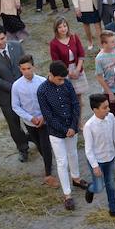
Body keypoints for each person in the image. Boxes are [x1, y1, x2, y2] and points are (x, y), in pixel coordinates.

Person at [38, 61, 87, 210]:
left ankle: (76, 178)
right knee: (62, 161)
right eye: (59, 79)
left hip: (71, 126)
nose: (61, 82)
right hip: (56, 132)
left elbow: (75, 104)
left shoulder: (66, 84)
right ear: (51, 75)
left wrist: (73, 126)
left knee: (73, 154)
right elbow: (48, 115)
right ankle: (67, 195)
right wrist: (65, 130)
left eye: (63, 79)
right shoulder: (42, 91)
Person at [0, 25, 29, 161]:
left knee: (30, 119)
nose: (0, 42)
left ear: (6, 36)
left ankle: (37, 140)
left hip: (25, 93)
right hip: (6, 97)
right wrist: (16, 88)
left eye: (2, 38)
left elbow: (26, 66)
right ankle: (23, 148)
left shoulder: (17, 46)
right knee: (14, 125)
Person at [11, 55, 57, 188]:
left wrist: (44, 116)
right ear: (20, 69)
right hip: (30, 122)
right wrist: (30, 118)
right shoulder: (16, 86)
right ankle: (48, 161)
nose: (26, 71)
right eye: (23, 69)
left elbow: (50, 101)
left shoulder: (43, 81)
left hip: (44, 120)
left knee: (45, 144)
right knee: (39, 145)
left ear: (34, 67)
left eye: (29, 68)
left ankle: (48, 172)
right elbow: (15, 106)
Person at [83, 93, 115, 215]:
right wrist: (95, 166)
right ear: (95, 109)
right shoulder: (89, 126)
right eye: (104, 108)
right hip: (98, 161)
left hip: (110, 158)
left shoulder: (111, 117)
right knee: (99, 187)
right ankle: (91, 188)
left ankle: (113, 209)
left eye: (108, 106)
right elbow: (88, 149)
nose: (108, 109)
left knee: (110, 184)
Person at [50, 17, 89, 104]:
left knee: (79, 98)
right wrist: (68, 73)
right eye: (60, 27)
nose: (63, 29)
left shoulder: (74, 37)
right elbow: (56, 61)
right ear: (56, 29)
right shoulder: (54, 43)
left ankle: (80, 117)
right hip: (64, 72)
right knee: (69, 97)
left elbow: (81, 54)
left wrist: (78, 69)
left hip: (77, 68)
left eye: (64, 26)